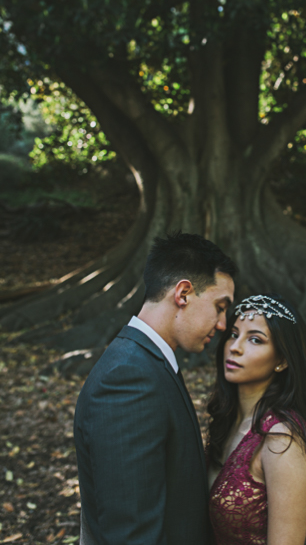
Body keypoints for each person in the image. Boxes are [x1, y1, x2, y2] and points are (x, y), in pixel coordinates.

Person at [74, 232, 236, 545]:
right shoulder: (127, 379)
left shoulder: (147, 362)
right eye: (219, 306)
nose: (222, 324)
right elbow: (131, 534)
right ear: (184, 293)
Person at [206, 294, 306, 545]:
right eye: (233, 334)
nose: (235, 347)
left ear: (282, 360)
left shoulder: (281, 441)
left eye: (255, 339)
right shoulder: (227, 421)